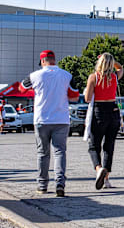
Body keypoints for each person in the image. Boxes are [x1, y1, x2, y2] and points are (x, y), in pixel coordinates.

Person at [21, 50, 79, 197]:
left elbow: (21, 88)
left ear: (42, 61)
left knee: (43, 153)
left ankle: (42, 186)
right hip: (61, 119)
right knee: (60, 152)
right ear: (54, 60)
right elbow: (74, 97)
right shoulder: (67, 75)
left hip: (41, 120)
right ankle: (60, 184)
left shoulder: (34, 75)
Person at [84, 53, 124, 190]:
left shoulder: (93, 77)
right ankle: (106, 179)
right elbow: (121, 68)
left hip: (99, 111)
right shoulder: (114, 77)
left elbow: (88, 98)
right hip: (113, 110)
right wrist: (112, 62)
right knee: (109, 146)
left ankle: (99, 168)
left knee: (94, 146)